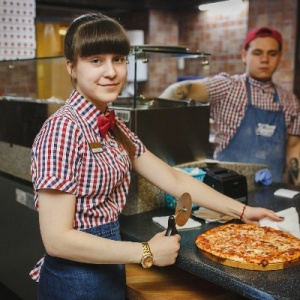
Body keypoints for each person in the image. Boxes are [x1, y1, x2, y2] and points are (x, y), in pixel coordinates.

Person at [29, 14, 282, 299]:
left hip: (108, 265)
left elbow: (173, 178)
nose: (111, 71)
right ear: (72, 67)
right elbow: (57, 240)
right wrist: (146, 251)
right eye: (96, 60)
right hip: (73, 279)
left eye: (119, 59)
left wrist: (243, 211)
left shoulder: (113, 125)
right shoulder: (62, 130)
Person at [160, 26, 300, 185]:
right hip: (226, 191)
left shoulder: (290, 101)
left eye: (272, 54)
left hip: (272, 192)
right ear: (244, 55)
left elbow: (294, 150)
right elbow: (180, 90)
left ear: (280, 57)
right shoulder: (228, 87)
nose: (265, 59)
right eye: (257, 52)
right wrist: (154, 123)